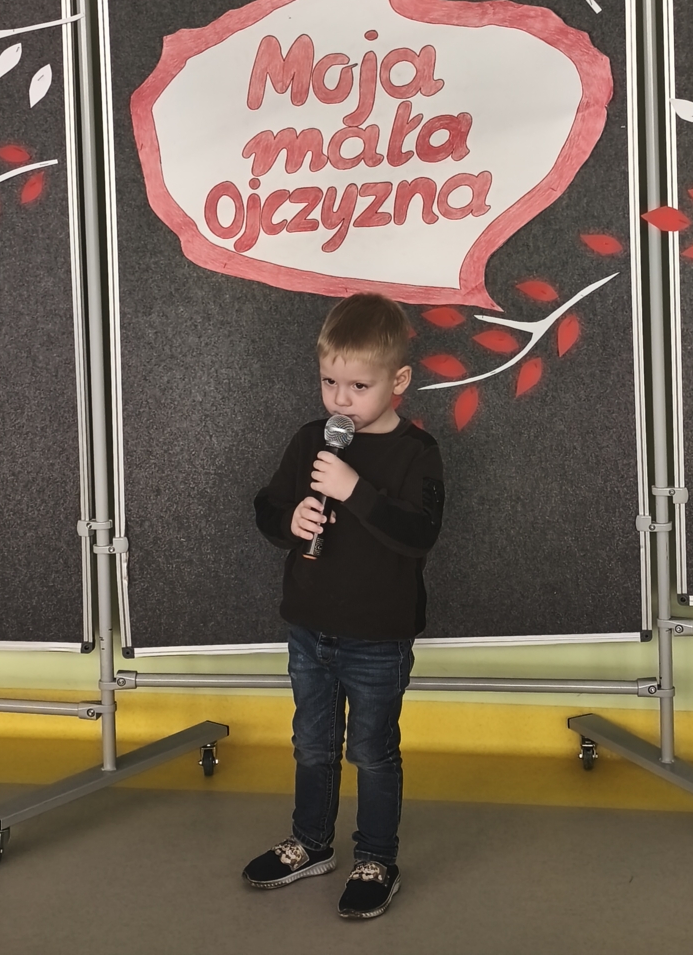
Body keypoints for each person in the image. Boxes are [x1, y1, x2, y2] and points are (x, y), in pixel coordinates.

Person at [244, 293, 445, 920]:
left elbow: (419, 535)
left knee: (372, 751)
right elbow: (267, 506)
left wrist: (354, 489)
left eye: (359, 386)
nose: (340, 400)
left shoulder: (416, 452)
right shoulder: (312, 440)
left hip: (378, 636)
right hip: (310, 629)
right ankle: (310, 843)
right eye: (329, 382)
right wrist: (290, 521)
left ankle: (376, 858)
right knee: (312, 743)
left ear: (398, 381)